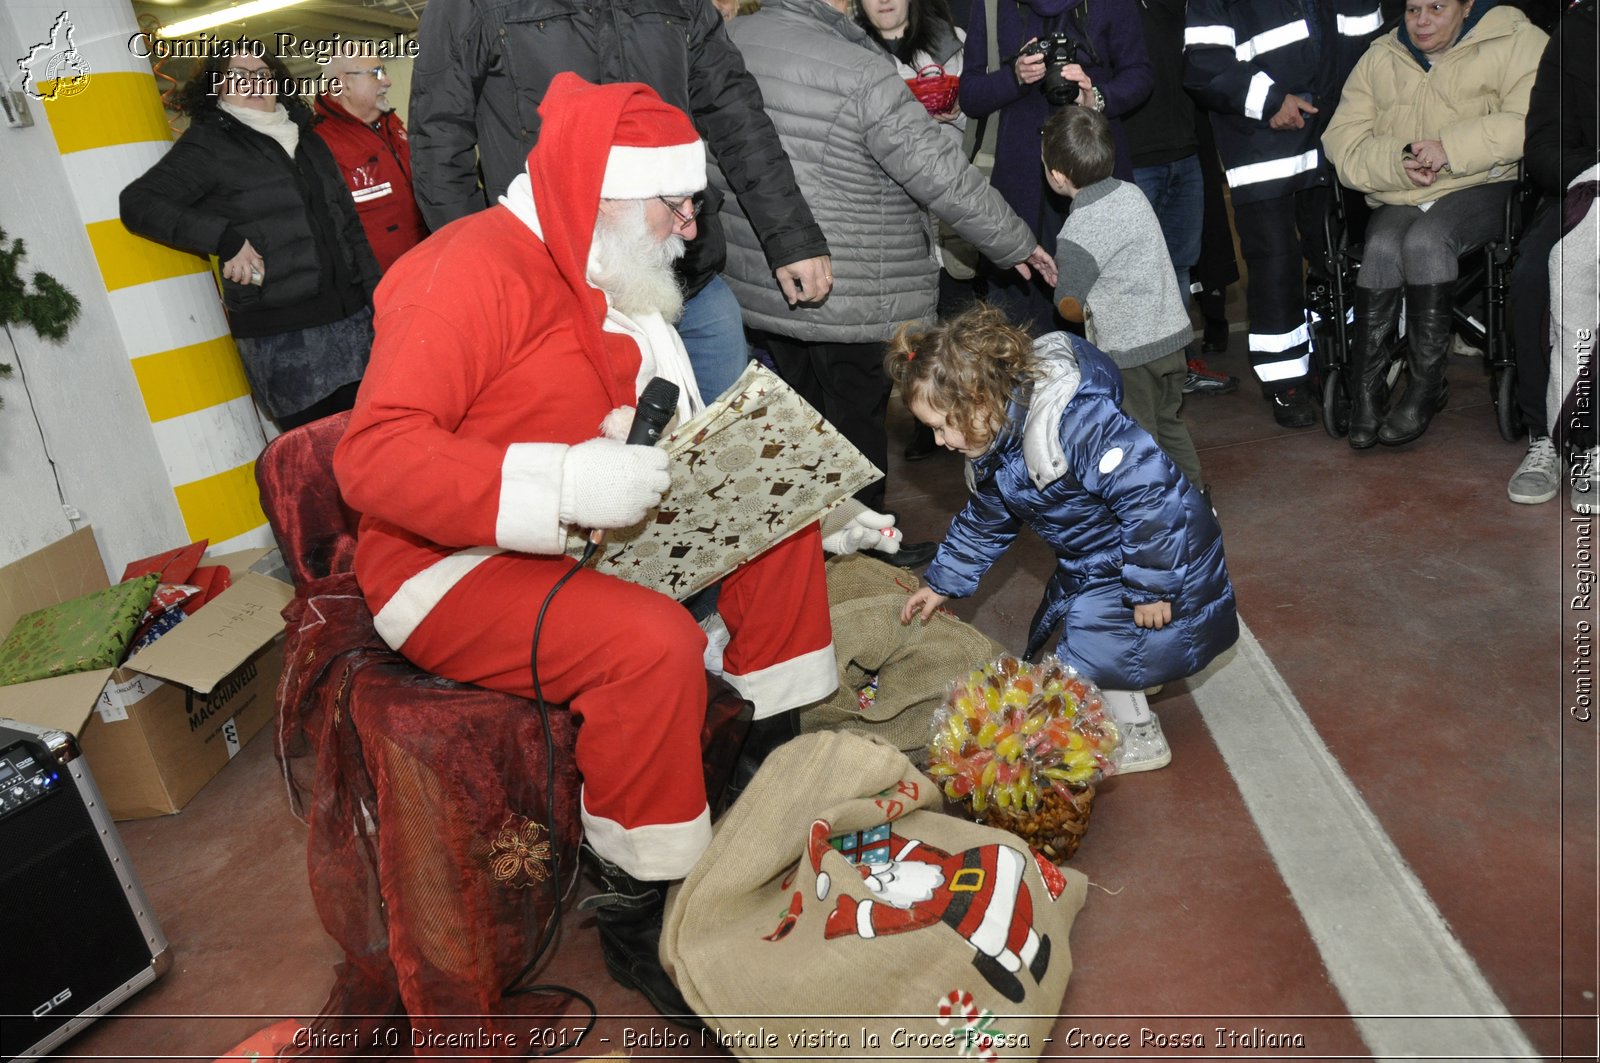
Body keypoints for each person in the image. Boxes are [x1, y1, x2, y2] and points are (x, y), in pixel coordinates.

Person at [332, 75, 840, 1022]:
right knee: (647, 643)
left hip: (576, 532)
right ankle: (642, 907)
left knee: (785, 516)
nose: (689, 228)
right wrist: (563, 481)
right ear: (603, 188)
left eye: (696, 205)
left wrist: (801, 485)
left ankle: (765, 794)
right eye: (675, 204)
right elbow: (375, 459)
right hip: (449, 567)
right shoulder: (465, 270)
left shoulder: (604, 262)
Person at [720, 0, 1056, 562]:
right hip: (851, 283)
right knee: (854, 422)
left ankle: (806, 550)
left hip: (760, 277)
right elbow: (938, 173)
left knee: (799, 418)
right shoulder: (856, 66)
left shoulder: (728, 42)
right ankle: (863, 554)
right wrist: (1014, 241)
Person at [408, 0, 832, 404]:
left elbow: (736, 115)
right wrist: (485, 282)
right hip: (561, 293)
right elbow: (440, 145)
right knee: (612, 466)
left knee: (726, 456)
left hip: (683, 274)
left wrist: (793, 237)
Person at [892, 304, 1238, 773]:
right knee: (1105, 639)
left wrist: (1152, 586)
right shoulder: (996, 441)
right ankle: (1137, 672)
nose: (939, 442)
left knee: (1094, 649)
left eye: (940, 427)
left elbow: (1152, 499)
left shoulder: (1076, 421)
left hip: (1155, 548)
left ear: (978, 400)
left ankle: (1139, 737)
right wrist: (941, 581)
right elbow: (985, 520)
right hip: (1102, 555)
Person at [121, 43, 380, 432]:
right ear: (217, 86)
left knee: (381, 445)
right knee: (320, 465)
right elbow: (138, 203)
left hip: (355, 324)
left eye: (262, 73)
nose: (253, 83)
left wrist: (379, 301)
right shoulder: (209, 144)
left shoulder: (307, 137)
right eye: (238, 75)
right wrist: (226, 239)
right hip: (286, 341)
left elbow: (348, 225)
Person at [1323, 0, 1547, 447]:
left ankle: (1425, 386)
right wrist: (1398, 158)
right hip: (1404, 189)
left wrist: (1450, 146)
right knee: (1381, 248)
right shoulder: (1380, 56)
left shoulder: (1518, 40)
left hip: (1483, 183)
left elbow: (1530, 121)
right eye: (1412, 9)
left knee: (1427, 241)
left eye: (1436, 8)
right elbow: (1342, 138)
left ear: (1467, 7)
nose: (1421, 21)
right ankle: (1366, 390)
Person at [1185, 0, 1384, 428]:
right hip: (1262, 145)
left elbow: (1373, 43)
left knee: (1341, 260)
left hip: (1336, 141)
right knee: (1275, 264)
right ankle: (1285, 382)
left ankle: (1343, 361)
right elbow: (1205, 66)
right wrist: (1271, 100)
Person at [959, 0, 1153, 332]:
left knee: (1107, 317)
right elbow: (971, 95)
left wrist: (1096, 98)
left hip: (1096, 178)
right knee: (1023, 329)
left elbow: (1140, 73)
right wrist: (1015, 77)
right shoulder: (991, 5)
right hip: (1021, 195)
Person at [1045, 106, 1205, 489]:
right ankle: (1196, 495)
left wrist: (1061, 283)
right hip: (1171, 338)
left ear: (1056, 175)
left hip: (1131, 354)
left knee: (1137, 439)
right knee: (1169, 424)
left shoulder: (1077, 230)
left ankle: (1153, 512)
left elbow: (1068, 306)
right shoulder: (1132, 193)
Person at [1505, 0, 1597, 505]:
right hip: (1580, 190)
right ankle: (1547, 437)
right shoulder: (1578, 32)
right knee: (1534, 273)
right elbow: (1542, 146)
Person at [1120, 0, 1236, 397]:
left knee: (1182, 268)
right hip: (1135, 159)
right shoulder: (1104, 9)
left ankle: (1179, 366)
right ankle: (1140, 379)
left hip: (1186, 153)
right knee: (1135, 273)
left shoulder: (1181, 5)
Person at [313, 50, 429, 273]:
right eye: (375, 73)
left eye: (383, 71)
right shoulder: (321, 144)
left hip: (424, 261)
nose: (387, 81)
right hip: (381, 282)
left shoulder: (392, 125)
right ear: (344, 84)